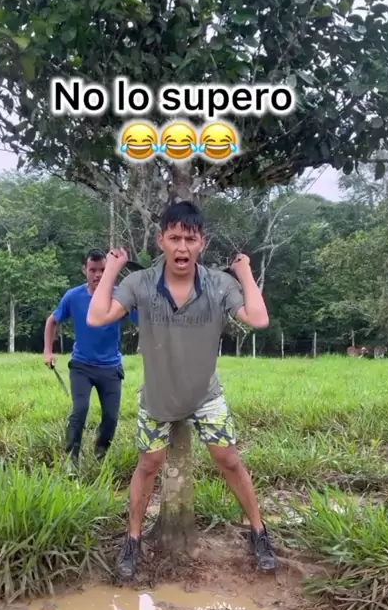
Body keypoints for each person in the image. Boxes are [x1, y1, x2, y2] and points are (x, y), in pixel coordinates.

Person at [86, 202, 277, 580]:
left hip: (206, 395)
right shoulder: (140, 283)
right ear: (161, 240)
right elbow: (97, 316)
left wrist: (244, 272)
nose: (182, 247)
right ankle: (133, 540)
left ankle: (259, 532)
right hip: (158, 396)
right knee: (148, 465)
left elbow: (258, 318)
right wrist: (111, 270)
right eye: (174, 238)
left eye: (190, 239)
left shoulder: (219, 284)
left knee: (229, 460)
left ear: (201, 242)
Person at [44, 248, 137, 466]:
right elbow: (52, 321)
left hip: (111, 367)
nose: (98, 275)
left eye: (103, 270)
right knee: (80, 409)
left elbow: (142, 319)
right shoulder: (73, 296)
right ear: (84, 270)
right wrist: (48, 350)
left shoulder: (120, 296)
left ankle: (100, 456)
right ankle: (72, 460)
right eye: (93, 270)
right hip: (82, 365)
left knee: (111, 417)